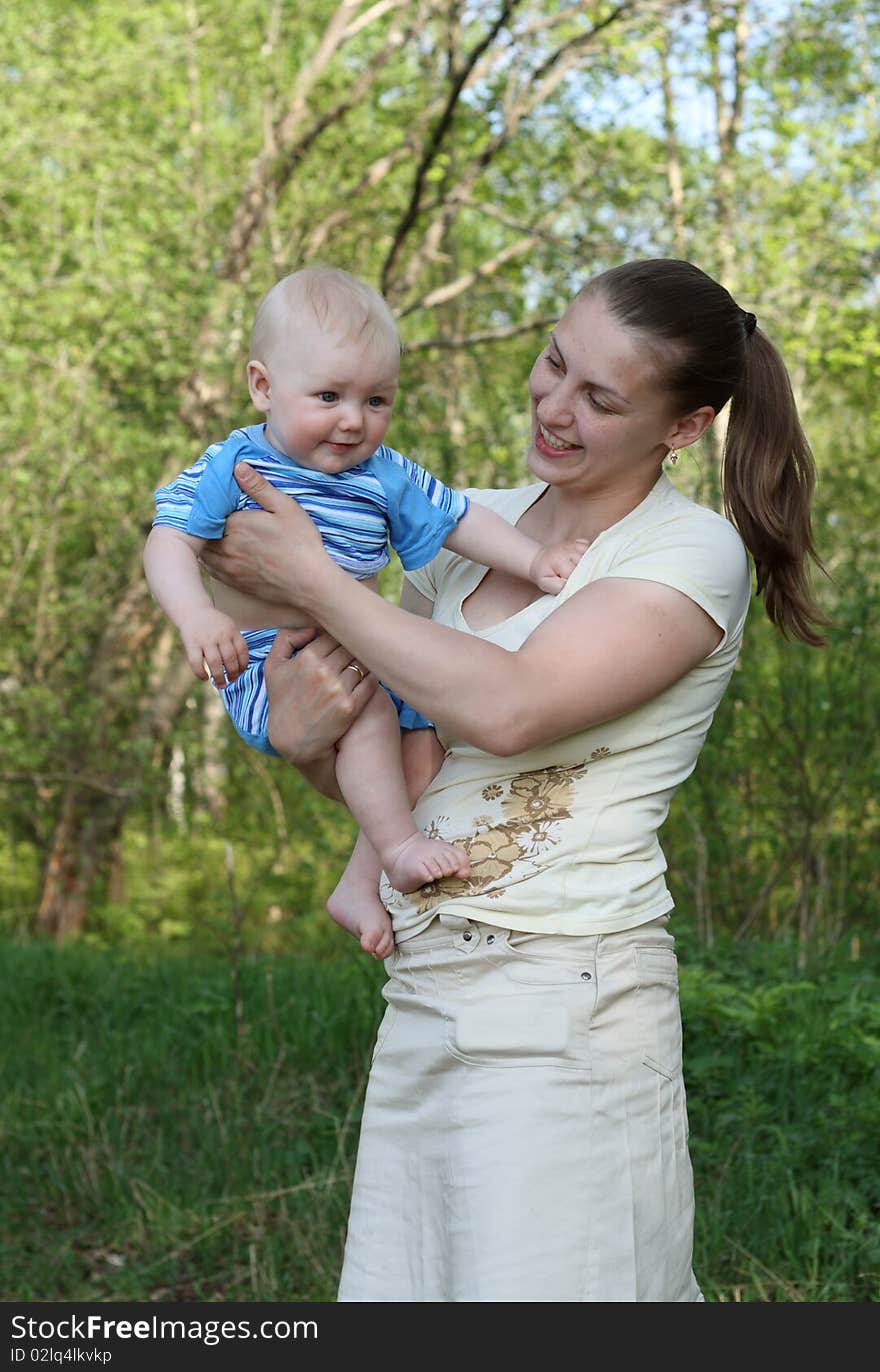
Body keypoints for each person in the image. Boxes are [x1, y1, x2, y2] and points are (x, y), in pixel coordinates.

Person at [199, 258, 826, 1302]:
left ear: (683, 428)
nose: (554, 406)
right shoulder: (455, 530)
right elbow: (413, 779)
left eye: (601, 397)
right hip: (426, 991)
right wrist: (302, 736)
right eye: (552, 363)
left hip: (564, 1003)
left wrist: (311, 576)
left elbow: (508, 707)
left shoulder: (684, 554)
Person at [143, 266, 587, 958]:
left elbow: (459, 519)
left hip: (348, 652)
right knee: (376, 714)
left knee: (428, 739)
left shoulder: (384, 474)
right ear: (263, 387)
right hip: (264, 662)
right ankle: (399, 846)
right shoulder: (233, 466)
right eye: (329, 396)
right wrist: (196, 617)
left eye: (376, 399)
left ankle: (361, 883)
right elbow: (168, 540)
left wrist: (533, 562)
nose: (354, 419)